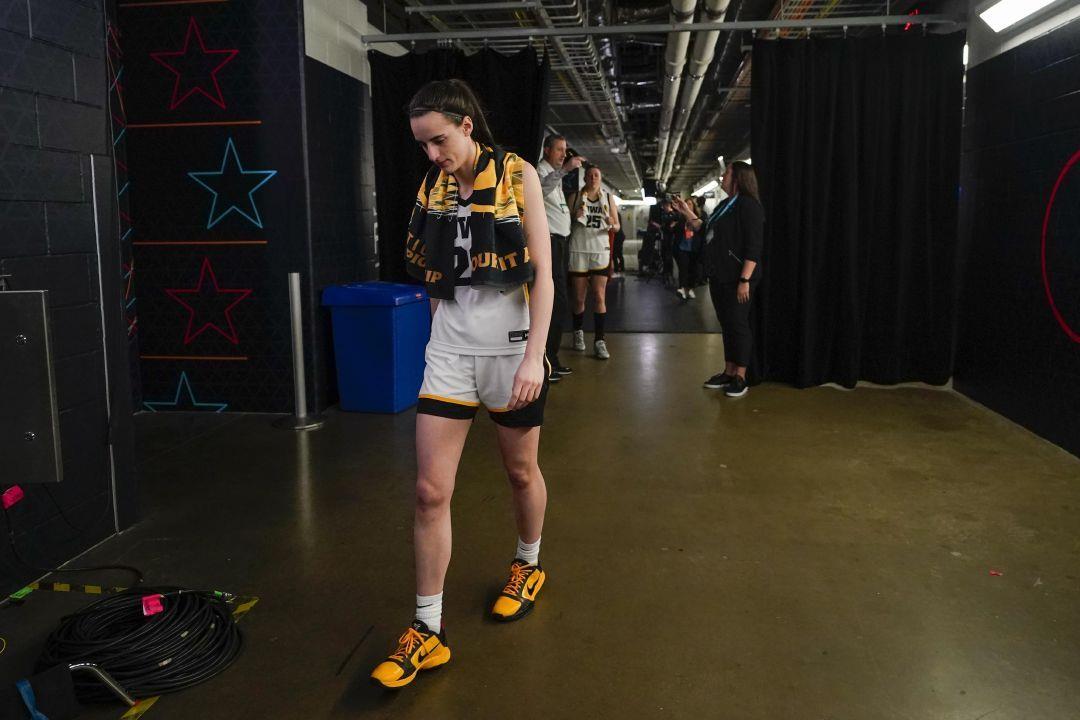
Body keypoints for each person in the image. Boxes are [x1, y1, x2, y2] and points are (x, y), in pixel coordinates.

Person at [371, 79, 554, 690]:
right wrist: (439, 337)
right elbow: (430, 269)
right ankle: (428, 629)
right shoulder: (434, 186)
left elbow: (545, 277)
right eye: (422, 145)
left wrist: (535, 357)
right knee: (428, 492)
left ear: (467, 126)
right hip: (450, 349)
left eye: (439, 141)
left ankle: (528, 563)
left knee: (520, 471)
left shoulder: (518, 174)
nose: (431, 155)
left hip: (511, 350)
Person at [672, 161, 764, 398]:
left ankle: (741, 376)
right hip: (720, 276)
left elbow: (754, 247)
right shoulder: (725, 205)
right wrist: (686, 212)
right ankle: (729, 371)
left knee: (738, 324)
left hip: (738, 278)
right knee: (727, 325)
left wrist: (745, 279)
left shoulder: (749, 206)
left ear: (738, 178)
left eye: (726, 173)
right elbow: (706, 228)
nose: (722, 176)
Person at [536, 134, 582, 383]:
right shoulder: (539, 171)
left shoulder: (555, 174)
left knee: (560, 303)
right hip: (550, 243)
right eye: (559, 149)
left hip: (561, 243)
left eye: (566, 150)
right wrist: (564, 170)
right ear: (546, 150)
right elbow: (540, 190)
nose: (564, 154)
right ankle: (545, 362)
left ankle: (551, 359)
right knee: (554, 303)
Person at [567, 165, 619, 360]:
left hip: (600, 250)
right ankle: (578, 332)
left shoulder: (607, 197)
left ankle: (599, 340)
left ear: (601, 177)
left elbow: (617, 226)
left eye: (596, 175)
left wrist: (611, 223)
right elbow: (566, 224)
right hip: (579, 250)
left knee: (599, 295)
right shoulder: (575, 197)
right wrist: (574, 217)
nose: (593, 178)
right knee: (579, 298)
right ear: (585, 179)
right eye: (589, 175)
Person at [674, 196, 702, 300]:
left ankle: (689, 288)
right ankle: (682, 288)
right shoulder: (680, 218)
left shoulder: (698, 218)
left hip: (694, 248)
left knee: (693, 271)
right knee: (683, 269)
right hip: (683, 248)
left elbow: (700, 230)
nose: (688, 206)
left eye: (690, 204)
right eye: (686, 204)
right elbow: (675, 230)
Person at [611, 207, 626, 277]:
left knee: (615, 254)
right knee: (619, 254)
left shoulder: (615, 215)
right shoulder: (617, 214)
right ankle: (621, 270)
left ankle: (617, 271)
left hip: (618, 237)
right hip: (620, 236)